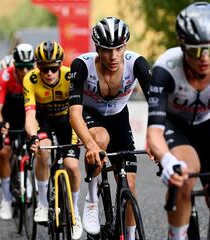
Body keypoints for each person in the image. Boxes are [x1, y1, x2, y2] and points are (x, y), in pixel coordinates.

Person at [146, 2, 210, 240]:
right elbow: (153, 134)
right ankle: (177, 235)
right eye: (196, 51)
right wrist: (168, 160)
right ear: (183, 46)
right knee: (185, 175)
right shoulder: (166, 68)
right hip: (176, 127)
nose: (205, 58)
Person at [69, 16, 151, 239]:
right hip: (90, 115)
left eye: (118, 48)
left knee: (130, 186)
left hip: (119, 117)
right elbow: (74, 114)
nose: (113, 56)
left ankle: (130, 235)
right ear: (97, 47)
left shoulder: (137, 64)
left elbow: (157, 105)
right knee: (100, 140)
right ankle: (92, 199)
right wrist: (89, 144)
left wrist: (156, 138)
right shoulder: (82, 65)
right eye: (106, 49)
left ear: (125, 45)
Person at [24, 41, 83, 239]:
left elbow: (80, 110)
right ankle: (42, 202)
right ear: (37, 66)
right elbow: (30, 115)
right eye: (44, 67)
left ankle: (74, 212)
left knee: (72, 166)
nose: (49, 73)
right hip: (44, 121)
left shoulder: (69, 76)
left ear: (60, 65)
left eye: (53, 67)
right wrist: (32, 137)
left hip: (68, 121)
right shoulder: (30, 79)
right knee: (43, 150)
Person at [0, 43, 35, 220]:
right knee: (4, 153)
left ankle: (32, 182)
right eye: (21, 67)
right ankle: (6, 198)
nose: (25, 71)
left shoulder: (36, 75)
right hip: (8, 116)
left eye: (28, 67)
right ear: (14, 65)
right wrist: (1, 123)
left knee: (39, 145)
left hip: (28, 114)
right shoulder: (5, 75)